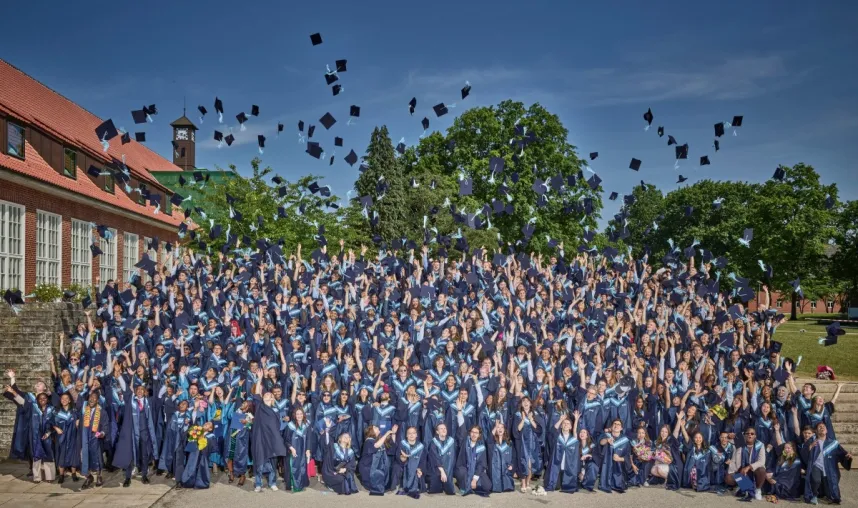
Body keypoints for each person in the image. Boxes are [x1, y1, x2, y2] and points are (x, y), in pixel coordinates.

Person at [251, 373, 290, 492]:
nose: (267, 394)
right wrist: (259, 378)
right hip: (260, 438)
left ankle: (272, 482)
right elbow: (257, 393)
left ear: (272, 398)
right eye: (265, 394)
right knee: (259, 461)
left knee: (272, 461)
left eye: (269, 394)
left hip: (272, 439)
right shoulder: (259, 406)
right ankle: (258, 484)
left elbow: (277, 427)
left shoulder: (276, 411)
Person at [803, 421, 853, 505]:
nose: (822, 427)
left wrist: (847, 457)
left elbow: (842, 454)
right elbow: (803, 454)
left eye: (823, 427)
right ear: (816, 431)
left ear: (826, 431)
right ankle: (813, 495)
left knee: (830, 493)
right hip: (816, 466)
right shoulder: (812, 442)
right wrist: (810, 447)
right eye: (819, 427)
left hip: (829, 468)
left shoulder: (833, 443)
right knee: (816, 480)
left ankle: (826, 494)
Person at [727, 428, 767, 501]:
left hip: (754, 471)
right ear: (744, 435)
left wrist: (749, 467)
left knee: (762, 470)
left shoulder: (760, 445)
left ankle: (757, 489)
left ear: (755, 436)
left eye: (752, 434)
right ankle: (743, 485)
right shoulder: (740, 443)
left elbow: (761, 461)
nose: (749, 435)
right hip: (742, 471)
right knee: (729, 478)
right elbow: (728, 439)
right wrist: (729, 436)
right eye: (747, 433)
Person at [544, 410, 580, 493]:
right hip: (557, 467)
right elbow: (552, 431)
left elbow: (575, 431)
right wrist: (560, 420)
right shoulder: (557, 437)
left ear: (571, 426)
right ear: (561, 426)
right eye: (564, 423)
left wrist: (576, 420)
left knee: (567, 486)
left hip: (568, 468)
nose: (566, 425)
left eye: (568, 424)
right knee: (555, 487)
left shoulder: (573, 439)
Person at [358, 424, 396, 495]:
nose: (378, 427)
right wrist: (387, 434)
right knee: (376, 487)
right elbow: (376, 446)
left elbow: (391, 449)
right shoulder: (368, 441)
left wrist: (393, 434)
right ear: (370, 431)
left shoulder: (378, 441)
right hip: (368, 469)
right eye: (375, 427)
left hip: (377, 468)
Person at [454, 426, 491, 496]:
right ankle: (461, 483)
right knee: (462, 474)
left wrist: (475, 479)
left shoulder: (481, 447)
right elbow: (462, 430)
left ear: (479, 435)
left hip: (476, 471)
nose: (474, 434)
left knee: (487, 486)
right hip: (464, 469)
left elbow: (481, 464)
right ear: (469, 433)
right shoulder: (464, 442)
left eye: (476, 433)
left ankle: (470, 485)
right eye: (472, 432)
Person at [53, 392, 80, 483]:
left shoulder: (74, 411)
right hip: (61, 437)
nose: (64, 400)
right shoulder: (56, 411)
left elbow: (79, 420)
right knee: (61, 454)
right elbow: (50, 422)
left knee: (73, 454)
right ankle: (61, 475)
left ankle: (73, 473)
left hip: (72, 436)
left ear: (69, 400)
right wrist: (56, 428)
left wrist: (78, 421)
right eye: (62, 399)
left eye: (66, 398)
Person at [392, 426, 426, 498]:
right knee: (396, 467)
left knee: (418, 474)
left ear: (416, 435)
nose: (411, 435)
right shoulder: (402, 444)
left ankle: (412, 486)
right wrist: (403, 458)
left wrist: (419, 469)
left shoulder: (421, 446)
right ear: (406, 435)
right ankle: (401, 484)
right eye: (409, 433)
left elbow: (423, 460)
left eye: (413, 433)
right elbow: (398, 457)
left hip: (416, 468)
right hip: (404, 467)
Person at [427, 422, 457, 494]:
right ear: (437, 431)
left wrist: (446, 472)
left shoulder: (451, 441)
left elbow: (452, 459)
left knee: (450, 491)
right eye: (441, 429)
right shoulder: (433, 442)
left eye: (444, 428)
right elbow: (435, 458)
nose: (443, 430)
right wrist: (442, 471)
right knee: (434, 490)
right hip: (436, 469)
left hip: (448, 469)